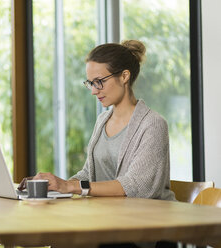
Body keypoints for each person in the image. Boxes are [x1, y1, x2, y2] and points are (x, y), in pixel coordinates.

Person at [18, 40, 175, 201]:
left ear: (124, 76)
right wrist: (56, 186)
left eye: (99, 81)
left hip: (149, 219)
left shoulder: (153, 124)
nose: (93, 91)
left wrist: (71, 187)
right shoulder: (103, 120)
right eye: (91, 83)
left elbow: (137, 186)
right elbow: (89, 174)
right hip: (110, 216)